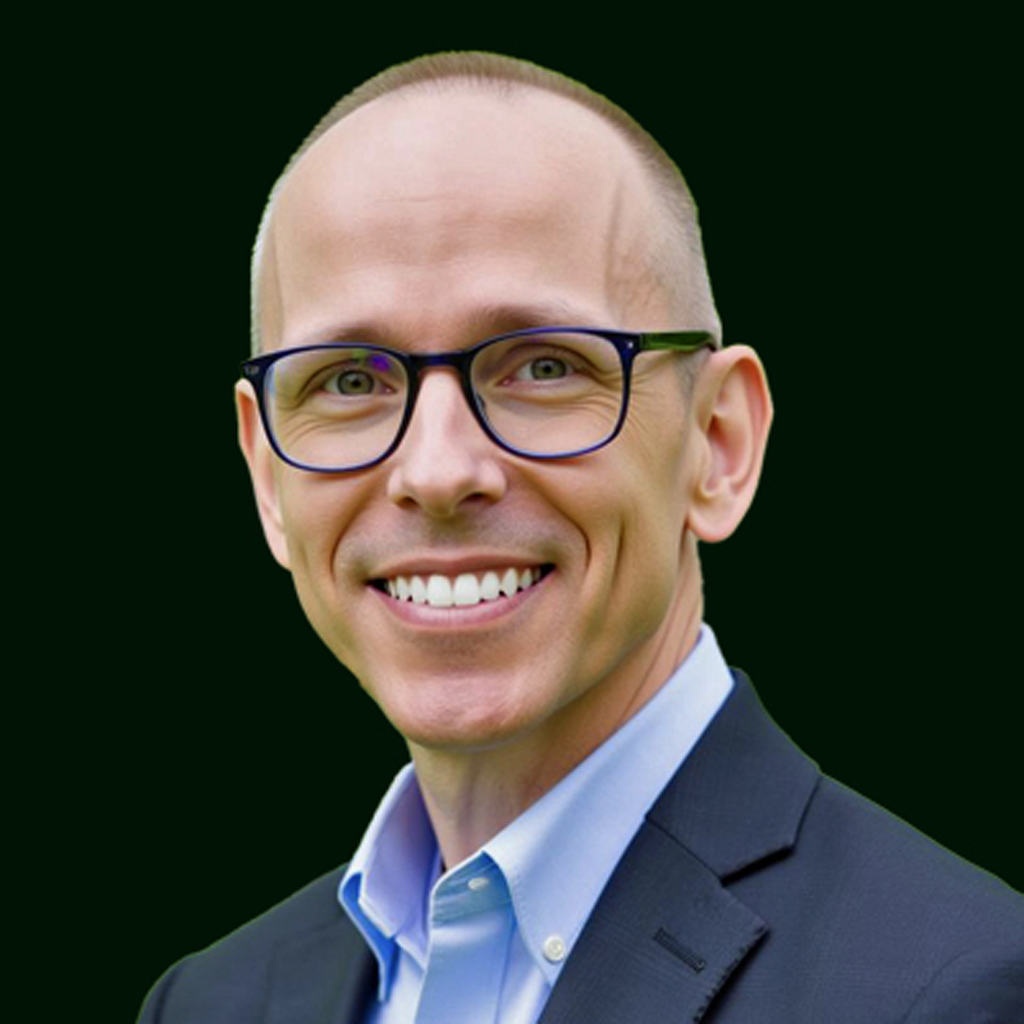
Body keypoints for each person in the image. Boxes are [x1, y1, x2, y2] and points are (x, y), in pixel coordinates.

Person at [138, 51, 1023, 1022]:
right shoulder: (210, 1001)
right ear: (267, 475)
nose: (436, 471)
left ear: (716, 445)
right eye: (350, 380)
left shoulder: (955, 992)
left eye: (543, 365)